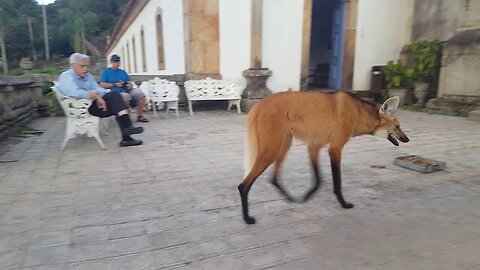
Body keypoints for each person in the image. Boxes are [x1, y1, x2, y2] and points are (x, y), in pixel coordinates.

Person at [56, 53, 144, 147]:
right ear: (73, 65)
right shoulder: (66, 76)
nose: (86, 69)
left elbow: (99, 89)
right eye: (82, 66)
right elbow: (74, 92)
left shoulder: (88, 76)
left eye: (87, 66)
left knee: (115, 97)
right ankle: (127, 134)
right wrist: (93, 95)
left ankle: (127, 135)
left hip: (92, 104)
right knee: (117, 103)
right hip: (81, 109)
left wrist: (98, 96)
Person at [99, 54, 149, 122]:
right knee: (126, 96)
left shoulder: (123, 72)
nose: (116, 63)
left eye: (118, 61)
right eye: (115, 61)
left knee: (141, 95)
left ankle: (140, 116)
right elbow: (102, 84)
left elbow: (129, 82)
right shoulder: (106, 72)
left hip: (127, 89)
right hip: (115, 92)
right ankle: (126, 119)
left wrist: (129, 85)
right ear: (111, 62)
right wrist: (114, 84)